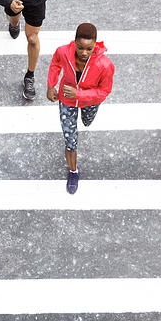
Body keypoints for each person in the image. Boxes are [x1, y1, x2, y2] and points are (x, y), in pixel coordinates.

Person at [46, 23, 114, 194]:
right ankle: (73, 171)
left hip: (89, 102)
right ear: (74, 42)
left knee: (87, 121)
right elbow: (55, 63)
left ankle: (86, 117)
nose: (84, 53)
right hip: (66, 100)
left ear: (95, 45)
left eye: (89, 48)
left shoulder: (105, 65)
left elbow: (104, 91)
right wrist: (51, 85)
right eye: (80, 47)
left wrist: (79, 95)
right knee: (70, 139)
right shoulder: (63, 51)